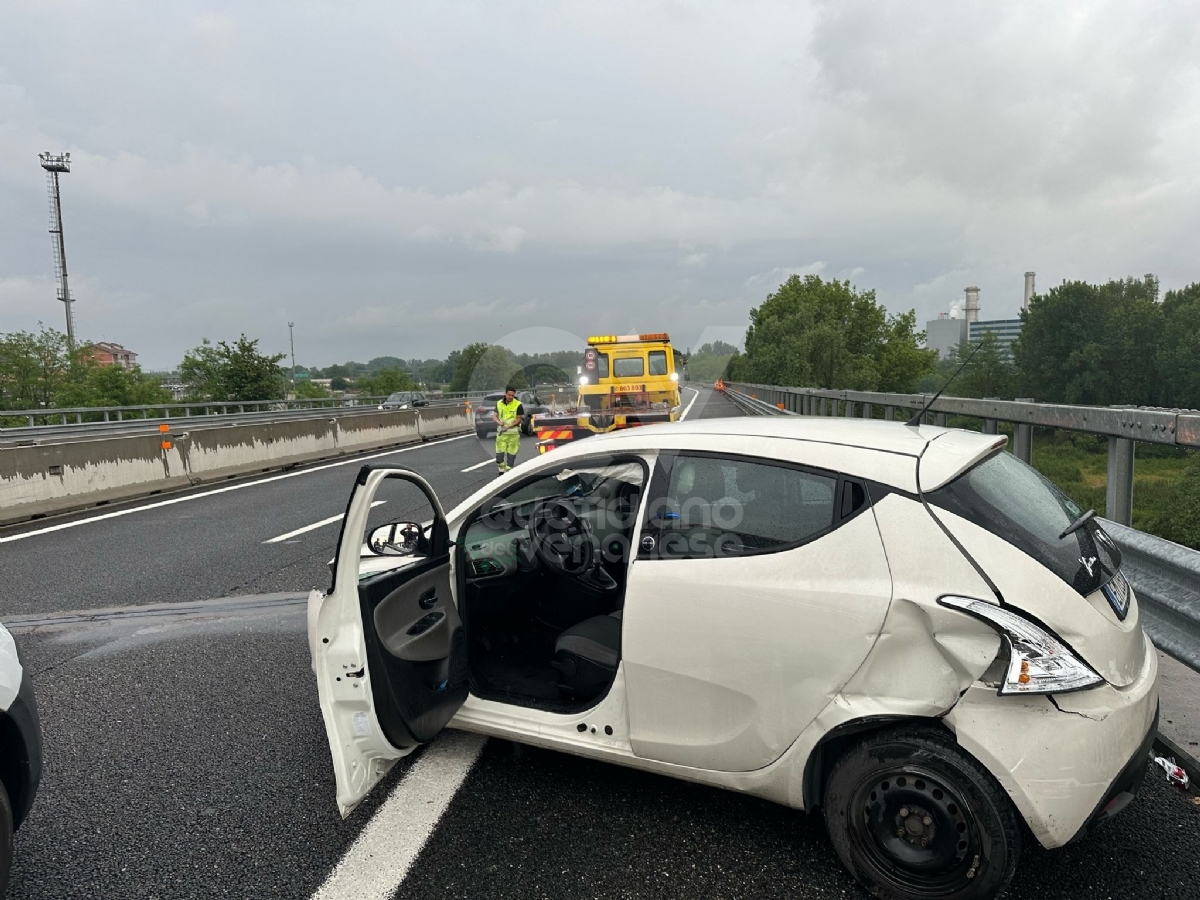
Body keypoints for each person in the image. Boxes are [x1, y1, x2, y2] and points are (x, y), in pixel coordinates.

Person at [492, 386, 524, 474]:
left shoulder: (518, 404)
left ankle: (508, 474)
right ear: (505, 394)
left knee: (511, 457)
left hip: (513, 435)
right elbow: (494, 416)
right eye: (509, 395)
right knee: (499, 456)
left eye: (512, 396)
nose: (510, 397)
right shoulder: (499, 403)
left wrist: (509, 426)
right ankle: (501, 470)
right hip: (501, 434)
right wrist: (499, 422)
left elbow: (518, 419)